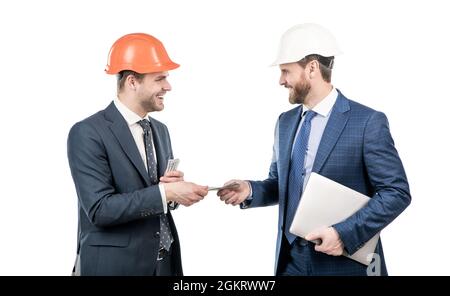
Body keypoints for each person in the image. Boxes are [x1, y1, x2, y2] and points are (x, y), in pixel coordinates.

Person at [217, 23, 411, 276]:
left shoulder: (367, 122)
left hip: (343, 263)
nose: (281, 80)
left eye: (286, 71)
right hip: (290, 261)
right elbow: (282, 183)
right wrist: (251, 190)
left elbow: (396, 193)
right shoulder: (285, 123)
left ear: (311, 68)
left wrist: (343, 234)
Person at [67, 33, 208, 276]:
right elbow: (100, 209)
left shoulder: (159, 130)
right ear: (132, 82)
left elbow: (156, 197)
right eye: (160, 79)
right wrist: (164, 193)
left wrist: (173, 195)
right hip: (116, 267)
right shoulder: (88, 132)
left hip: (164, 263)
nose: (168, 86)